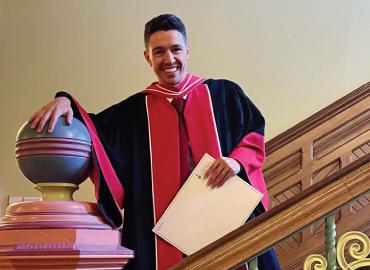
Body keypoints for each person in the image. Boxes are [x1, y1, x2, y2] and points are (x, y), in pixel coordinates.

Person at [29, 14, 281, 270]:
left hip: (224, 224)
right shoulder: (133, 112)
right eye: (159, 52)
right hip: (159, 239)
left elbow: (253, 135)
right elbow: (94, 129)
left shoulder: (225, 94)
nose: (169, 59)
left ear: (187, 51)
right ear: (148, 57)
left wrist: (236, 162)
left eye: (175, 49)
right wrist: (65, 101)